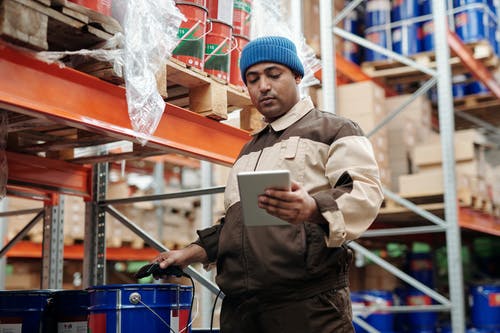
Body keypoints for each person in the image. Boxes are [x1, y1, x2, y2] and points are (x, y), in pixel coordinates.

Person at [152, 36, 383, 332]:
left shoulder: (333, 129)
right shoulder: (248, 151)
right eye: (253, 79)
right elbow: (237, 224)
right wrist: (190, 253)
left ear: (297, 76)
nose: (263, 86)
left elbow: (364, 193)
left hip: (307, 308)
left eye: (274, 75)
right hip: (243, 312)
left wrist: (313, 207)